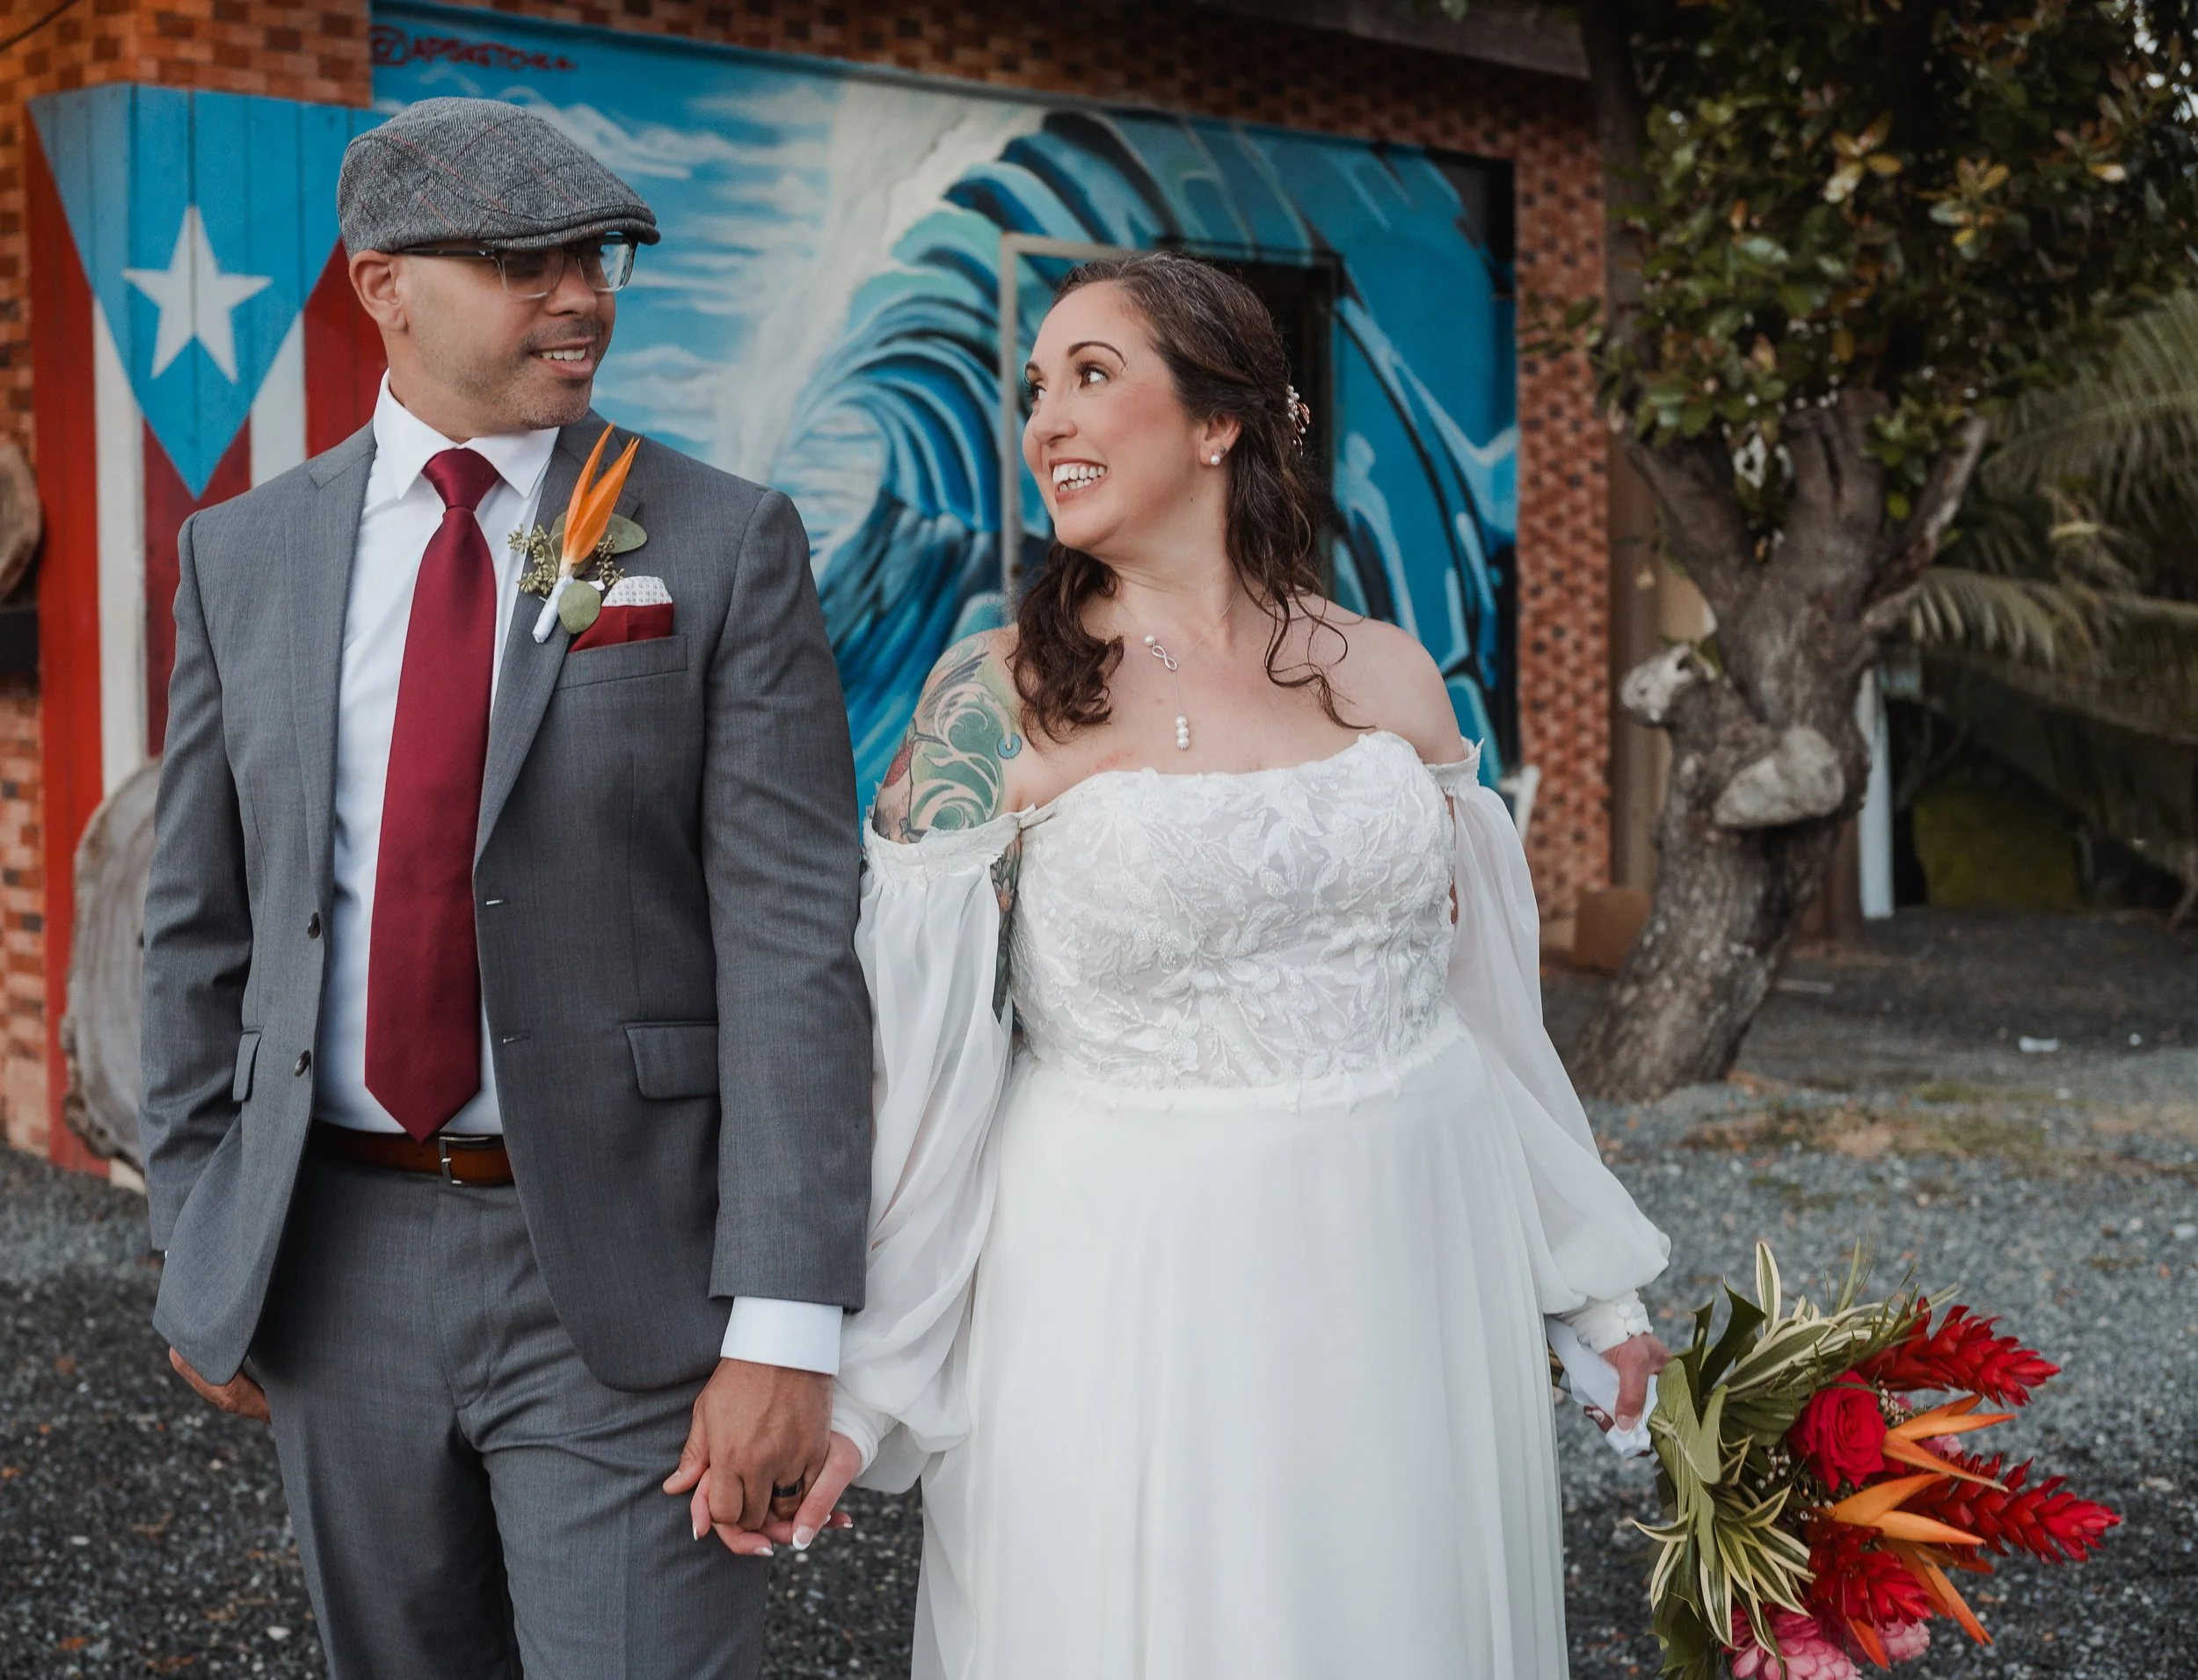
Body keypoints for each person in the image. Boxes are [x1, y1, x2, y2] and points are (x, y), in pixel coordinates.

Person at [767, 251, 1675, 1676]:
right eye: (1030, 390)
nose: (1043, 422)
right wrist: (860, 1378)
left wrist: (1590, 1285)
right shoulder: (992, 704)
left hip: (1411, 1269)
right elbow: (910, 1071)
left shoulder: (1386, 674)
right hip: (1131, 1292)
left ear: (1219, 422)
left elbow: (1487, 1020)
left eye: (1091, 375)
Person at [137, 97, 870, 1678]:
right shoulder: (243, 553)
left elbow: (794, 945)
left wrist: (786, 1326)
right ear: (382, 282)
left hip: (624, 1262)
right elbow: (199, 922)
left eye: (597, 256)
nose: (582, 294)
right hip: (333, 1261)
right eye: (524, 260)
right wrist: (202, 1231)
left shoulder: (718, 539)